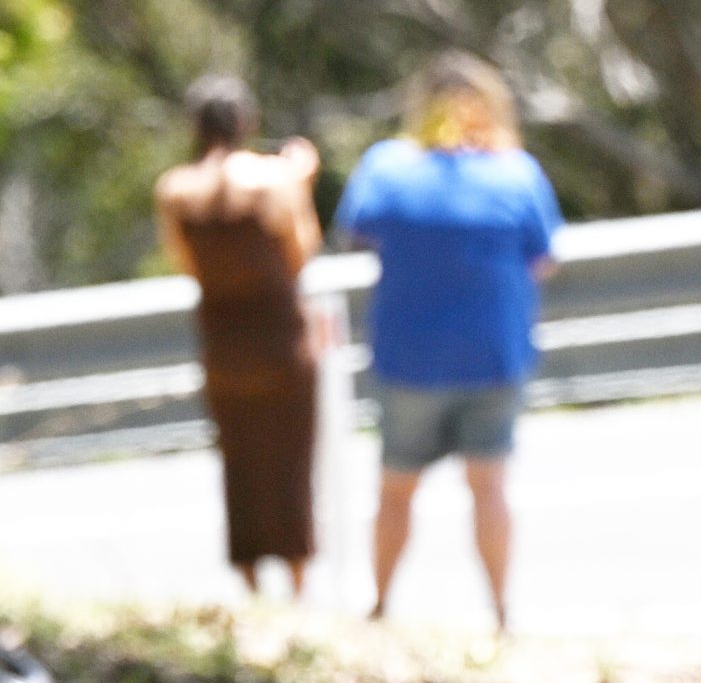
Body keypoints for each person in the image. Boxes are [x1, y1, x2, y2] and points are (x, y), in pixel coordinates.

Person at [335, 52, 562, 630]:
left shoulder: (387, 167)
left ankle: (380, 607)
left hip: (408, 359)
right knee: (489, 487)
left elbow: (356, 229)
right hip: (493, 356)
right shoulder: (517, 172)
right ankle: (502, 615)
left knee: (395, 489)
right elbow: (544, 259)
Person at [154, 76, 323, 599]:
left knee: (240, 465)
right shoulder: (275, 180)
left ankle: (251, 586)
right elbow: (301, 253)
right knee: (291, 461)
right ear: (247, 121)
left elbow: (185, 263)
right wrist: (301, 180)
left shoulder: (175, 190)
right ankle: (297, 585)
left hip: (223, 346)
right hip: (282, 344)